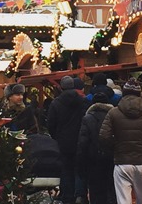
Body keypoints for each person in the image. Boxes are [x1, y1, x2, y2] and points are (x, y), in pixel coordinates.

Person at [99, 77, 142, 204]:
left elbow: (103, 137)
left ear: (124, 93)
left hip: (122, 162)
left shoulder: (113, 113)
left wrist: (115, 148)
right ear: (140, 94)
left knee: (123, 200)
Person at [47, 75, 89, 204]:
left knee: (66, 169)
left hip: (64, 142)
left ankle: (67, 196)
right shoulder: (83, 101)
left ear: (61, 87)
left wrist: (57, 137)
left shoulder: (56, 103)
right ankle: (80, 195)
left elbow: (51, 124)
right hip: (80, 140)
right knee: (80, 168)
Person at [76, 92, 116, 204]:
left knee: (96, 192)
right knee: (111, 191)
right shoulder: (114, 117)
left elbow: (83, 143)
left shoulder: (87, 118)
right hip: (111, 160)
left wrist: (81, 164)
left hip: (93, 160)